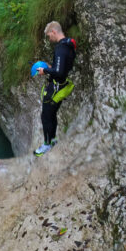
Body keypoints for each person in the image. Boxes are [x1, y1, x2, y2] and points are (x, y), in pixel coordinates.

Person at [34, 21, 76, 156]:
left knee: (46, 116)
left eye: (48, 36)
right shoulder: (68, 46)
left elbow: (59, 72)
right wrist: (50, 67)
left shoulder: (61, 48)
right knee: (52, 114)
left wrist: (45, 70)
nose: (49, 38)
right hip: (62, 85)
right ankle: (52, 140)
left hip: (55, 88)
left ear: (53, 32)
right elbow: (61, 68)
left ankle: (46, 145)